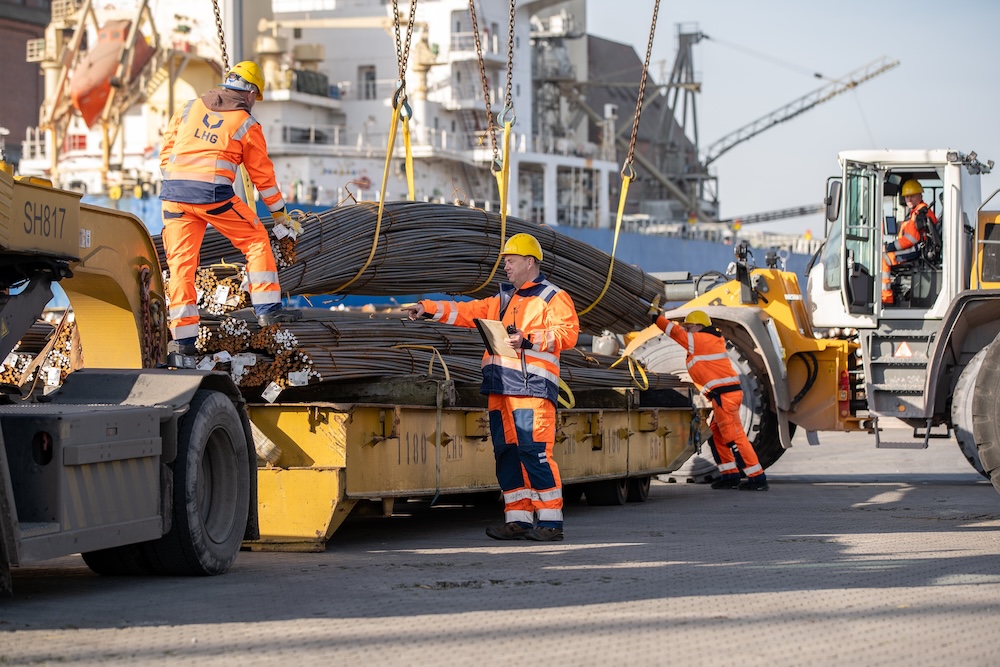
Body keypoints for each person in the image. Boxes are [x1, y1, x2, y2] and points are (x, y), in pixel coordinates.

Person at [407, 233, 579, 541]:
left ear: (530, 262)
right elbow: (467, 311)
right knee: (507, 454)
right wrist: (428, 308)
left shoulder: (553, 297)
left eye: (511, 262)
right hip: (501, 390)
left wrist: (529, 338)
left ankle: (551, 523)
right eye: (505, 262)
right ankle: (519, 520)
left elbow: (568, 334)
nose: (506, 267)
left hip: (532, 390)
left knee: (535, 452)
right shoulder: (502, 299)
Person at [159, 60, 301, 355]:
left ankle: (183, 342)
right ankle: (267, 310)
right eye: (255, 96)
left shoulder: (189, 107)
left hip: (174, 194)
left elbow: (166, 154)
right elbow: (263, 176)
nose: (254, 102)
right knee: (256, 240)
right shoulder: (245, 123)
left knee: (181, 267)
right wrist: (279, 213)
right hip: (212, 195)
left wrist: (183, 181)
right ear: (249, 91)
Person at [652, 309, 769, 491]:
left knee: (734, 436)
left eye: (689, 327)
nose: (687, 330)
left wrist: (656, 319)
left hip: (725, 397)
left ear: (700, 326)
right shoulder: (705, 341)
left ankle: (757, 477)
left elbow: (676, 333)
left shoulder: (702, 340)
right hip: (722, 396)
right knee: (718, 434)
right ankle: (729, 475)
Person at [880, 179, 939, 305]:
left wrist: (888, 247)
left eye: (912, 196)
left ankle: (886, 297)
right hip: (917, 249)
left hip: (915, 250)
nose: (909, 200)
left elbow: (910, 240)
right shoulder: (919, 211)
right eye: (907, 197)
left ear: (920, 196)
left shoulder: (918, 213)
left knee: (884, 259)